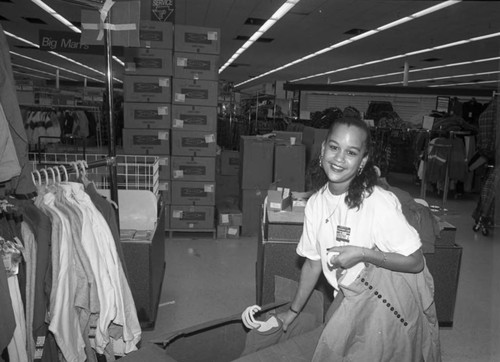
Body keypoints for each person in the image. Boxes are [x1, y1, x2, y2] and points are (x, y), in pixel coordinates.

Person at [277, 117, 441, 361]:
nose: (339, 158)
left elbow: (416, 262)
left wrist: (364, 253)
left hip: (384, 306)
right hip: (349, 299)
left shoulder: (377, 202)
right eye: (334, 147)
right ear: (322, 150)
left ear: (363, 161)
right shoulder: (315, 204)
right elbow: (313, 263)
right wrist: (293, 311)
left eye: (351, 152)